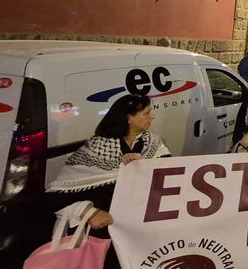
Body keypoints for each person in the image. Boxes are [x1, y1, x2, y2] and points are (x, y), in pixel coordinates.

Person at [45, 94, 171, 268]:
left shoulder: (154, 144)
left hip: (142, 236)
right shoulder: (95, 148)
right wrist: (88, 212)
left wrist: (144, 166)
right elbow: (55, 195)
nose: (152, 116)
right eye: (147, 112)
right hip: (104, 239)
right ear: (129, 117)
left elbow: (169, 180)